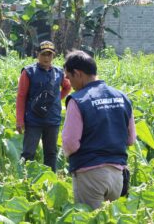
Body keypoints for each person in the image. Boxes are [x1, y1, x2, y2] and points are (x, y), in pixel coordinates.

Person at [62, 50, 136, 209]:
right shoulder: (122, 97)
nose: (69, 84)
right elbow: (131, 139)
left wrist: (67, 156)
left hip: (90, 174)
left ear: (78, 74)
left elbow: (70, 143)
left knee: (89, 219)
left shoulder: (78, 100)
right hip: (117, 175)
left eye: (69, 77)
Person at [16, 41, 71, 172]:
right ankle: (25, 180)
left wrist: (56, 99)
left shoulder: (59, 72)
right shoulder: (29, 72)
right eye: (43, 54)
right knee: (28, 153)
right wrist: (19, 120)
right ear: (37, 55)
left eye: (49, 55)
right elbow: (21, 96)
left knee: (51, 153)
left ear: (53, 56)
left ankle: (50, 181)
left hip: (53, 120)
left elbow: (67, 87)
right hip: (33, 120)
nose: (46, 58)